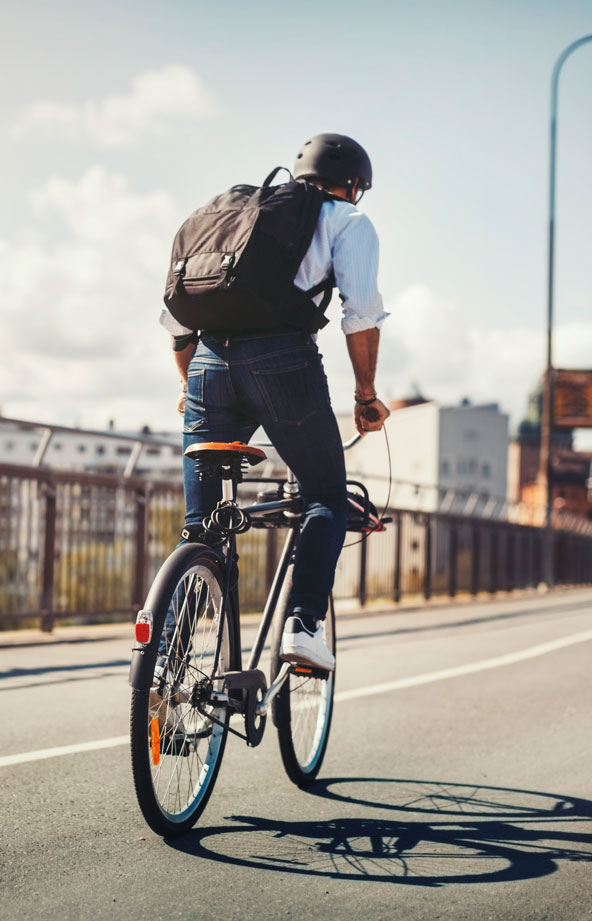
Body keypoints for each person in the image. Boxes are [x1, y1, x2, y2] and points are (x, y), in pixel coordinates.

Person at [159, 133, 390, 672]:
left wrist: (187, 385)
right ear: (354, 185)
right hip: (283, 364)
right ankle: (303, 626)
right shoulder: (348, 221)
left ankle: (165, 661)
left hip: (209, 365)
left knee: (202, 526)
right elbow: (360, 314)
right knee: (327, 497)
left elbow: (176, 324)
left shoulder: (232, 216)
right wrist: (366, 397)